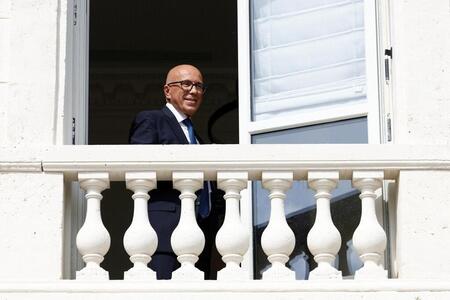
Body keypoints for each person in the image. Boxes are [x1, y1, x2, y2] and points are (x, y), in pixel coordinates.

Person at [129, 64, 224, 279]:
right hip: (164, 235)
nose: (194, 91)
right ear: (167, 91)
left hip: (200, 239)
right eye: (186, 84)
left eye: (199, 86)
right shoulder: (152, 120)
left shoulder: (197, 138)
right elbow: (138, 168)